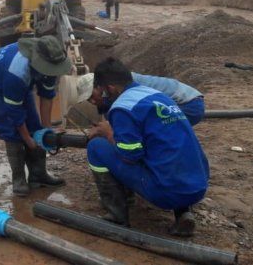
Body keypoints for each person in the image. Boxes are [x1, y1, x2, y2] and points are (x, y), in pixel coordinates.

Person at [85, 58, 209, 236]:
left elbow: (130, 155)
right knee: (165, 148)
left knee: (96, 147)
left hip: (167, 193)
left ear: (110, 88)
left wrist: (108, 133)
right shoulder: (157, 96)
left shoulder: (123, 106)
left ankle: (117, 215)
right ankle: (183, 212)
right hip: (198, 185)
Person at [0, 35, 71, 197]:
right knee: (11, 130)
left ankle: (38, 175)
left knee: (35, 126)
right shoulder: (17, 71)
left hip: (18, 81)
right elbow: (14, 112)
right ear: (40, 63)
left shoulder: (51, 61)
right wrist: (28, 140)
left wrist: (46, 129)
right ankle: (19, 179)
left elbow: (47, 96)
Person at [75, 72, 204, 127]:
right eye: (88, 100)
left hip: (188, 104)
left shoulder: (123, 86)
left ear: (99, 86)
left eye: (92, 96)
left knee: (150, 134)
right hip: (186, 101)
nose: (92, 102)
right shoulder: (111, 89)